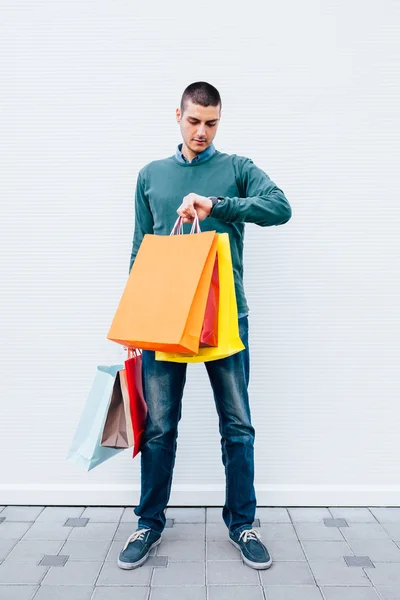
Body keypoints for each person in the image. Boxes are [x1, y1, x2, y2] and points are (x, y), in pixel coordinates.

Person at [118, 81, 292, 571]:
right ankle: (148, 522)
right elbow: (140, 252)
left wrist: (218, 205)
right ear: (177, 115)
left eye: (211, 123)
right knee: (158, 428)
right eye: (193, 121)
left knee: (237, 427)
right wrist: (134, 319)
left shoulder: (237, 169)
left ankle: (243, 524)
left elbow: (280, 207)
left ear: (220, 121)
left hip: (225, 324)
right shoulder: (150, 175)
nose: (201, 132)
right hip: (164, 325)